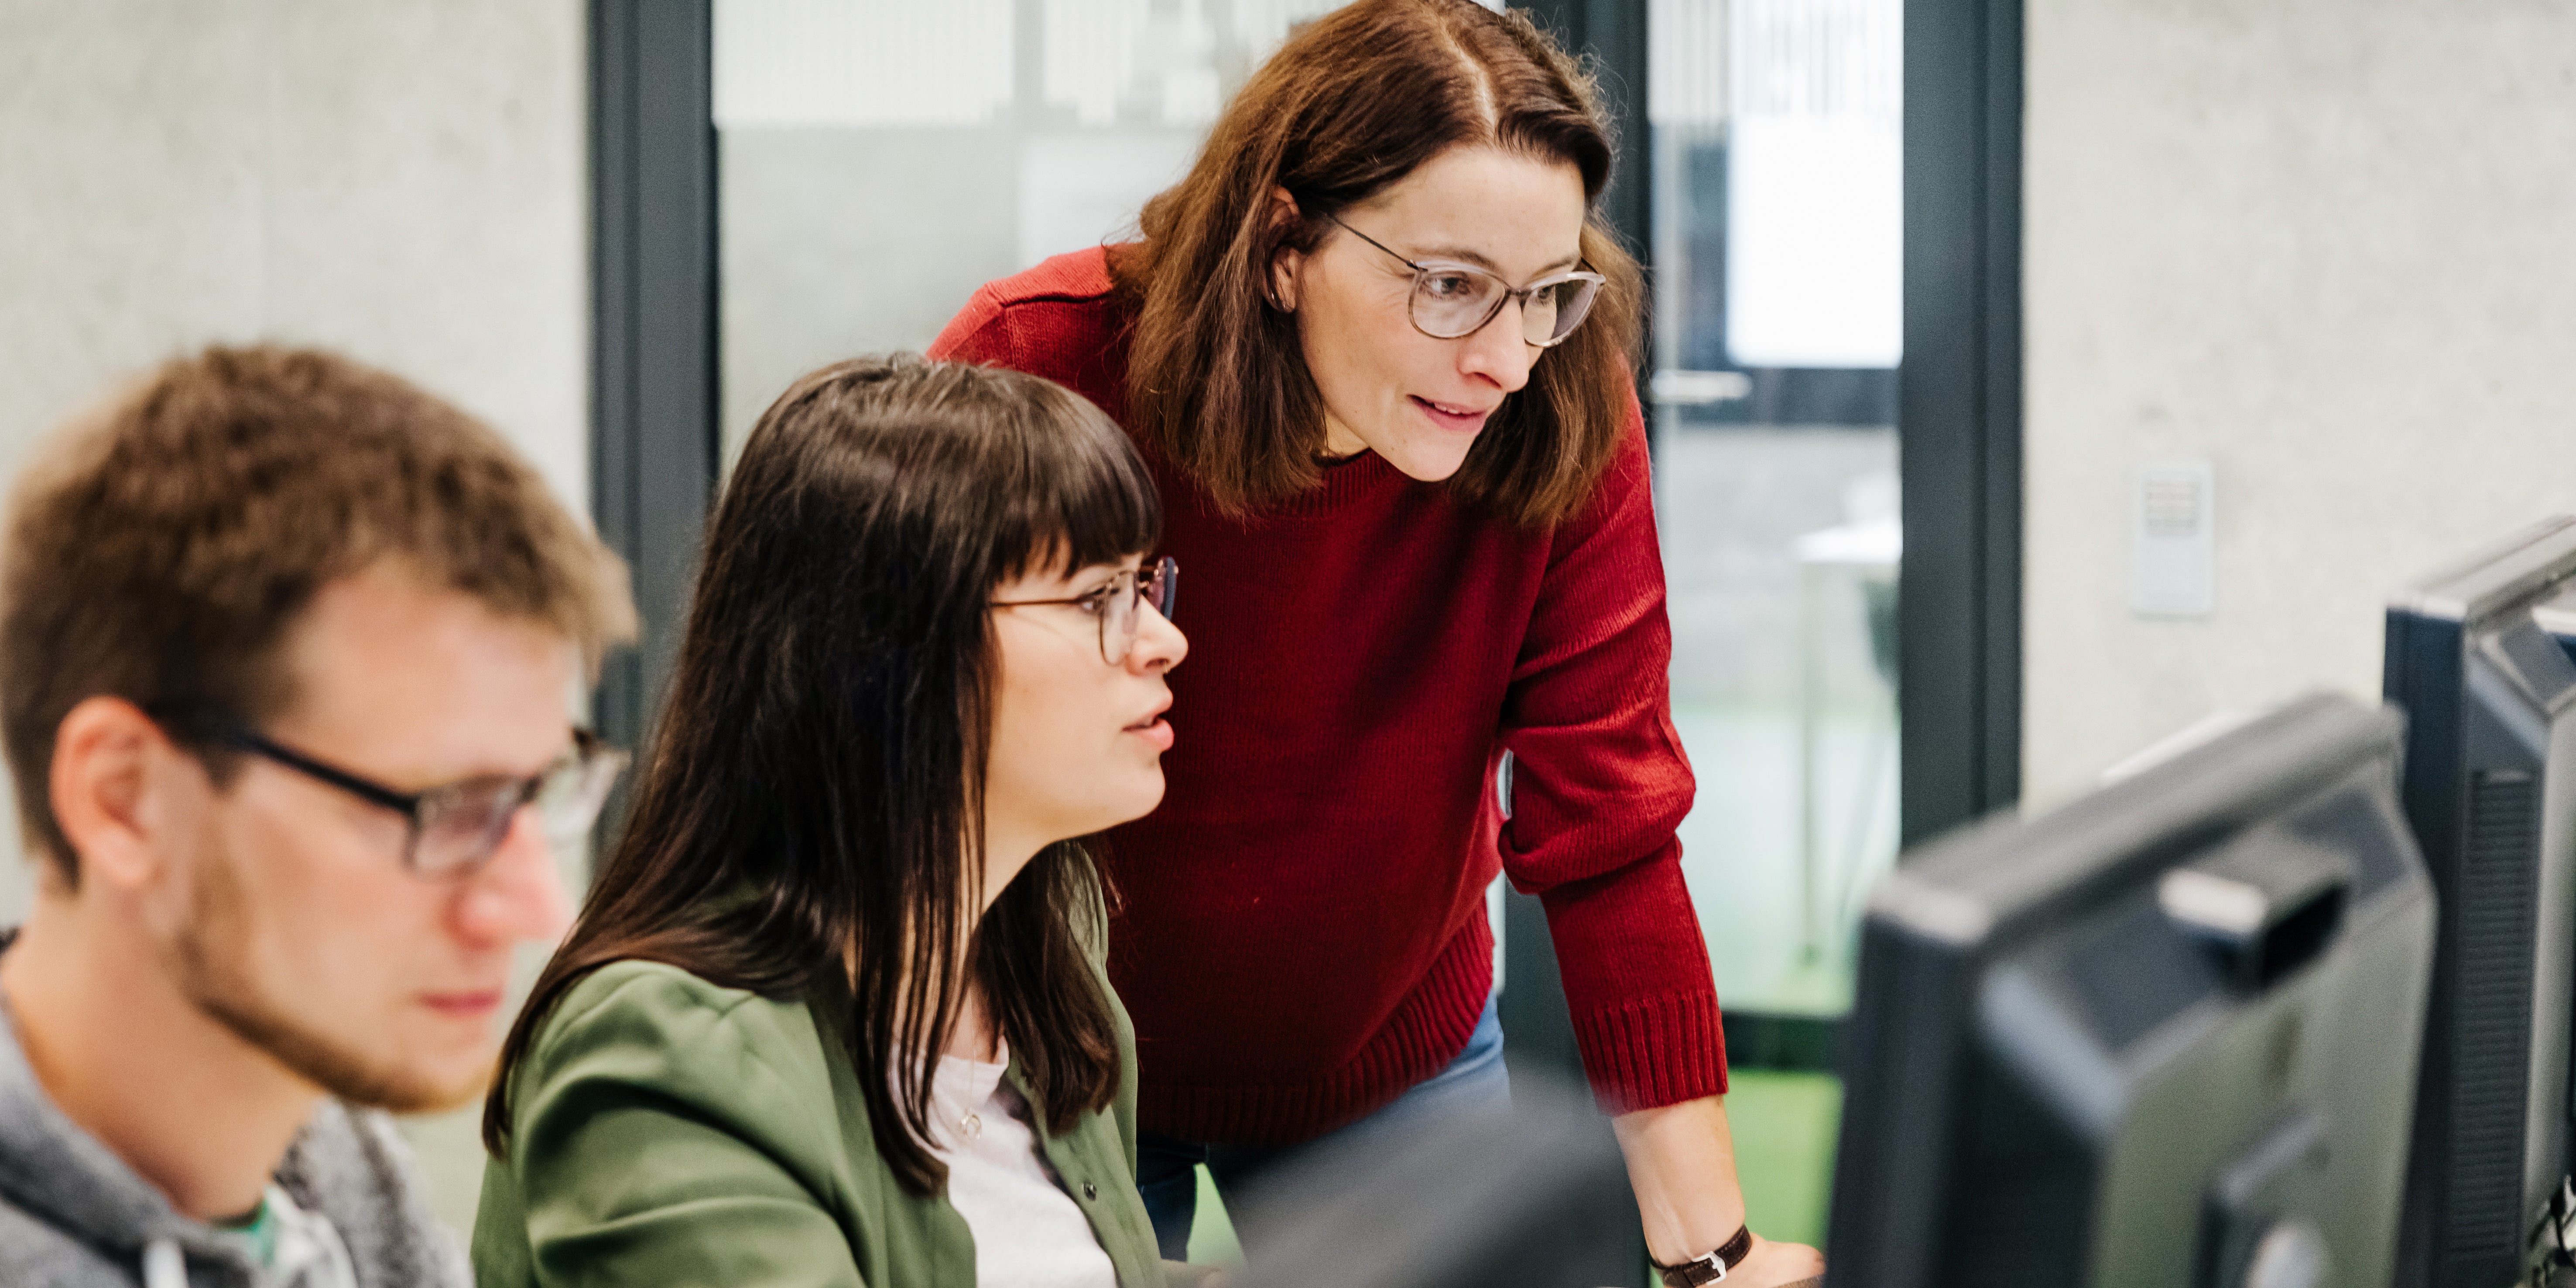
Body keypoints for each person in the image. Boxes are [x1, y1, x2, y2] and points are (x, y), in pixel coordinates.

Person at [929, 1, 1827, 1282]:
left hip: (1392, 1050)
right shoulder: (1042, 366)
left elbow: (1612, 829)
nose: (1507, 360)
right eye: (1450, 287)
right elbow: (899, 767)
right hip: (1056, 1055)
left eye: (1544, 295)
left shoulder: (1561, 406)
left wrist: (1714, 1261)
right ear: (1282, 246)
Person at [473, 356, 1191, 1288]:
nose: (1165, 639)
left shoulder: (1043, 947)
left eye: (1144, 585)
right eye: (1099, 597)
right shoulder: (666, 1059)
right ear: (893, 656)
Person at [0, 345, 634, 1288]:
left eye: (533, 796)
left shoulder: (332, 1170)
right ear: (123, 800)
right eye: (447, 809)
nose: (539, 908)